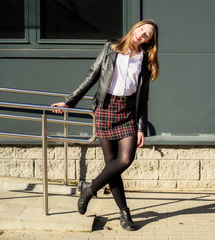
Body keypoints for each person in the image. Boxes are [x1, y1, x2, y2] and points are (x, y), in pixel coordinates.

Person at [51, 19, 159, 231]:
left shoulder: (145, 58)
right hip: (106, 108)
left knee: (125, 159)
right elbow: (92, 75)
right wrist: (69, 101)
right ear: (135, 28)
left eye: (147, 34)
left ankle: (89, 189)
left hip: (128, 111)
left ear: (150, 40)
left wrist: (140, 128)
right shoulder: (111, 48)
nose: (142, 34)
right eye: (141, 29)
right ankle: (124, 213)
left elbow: (143, 97)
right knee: (112, 166)